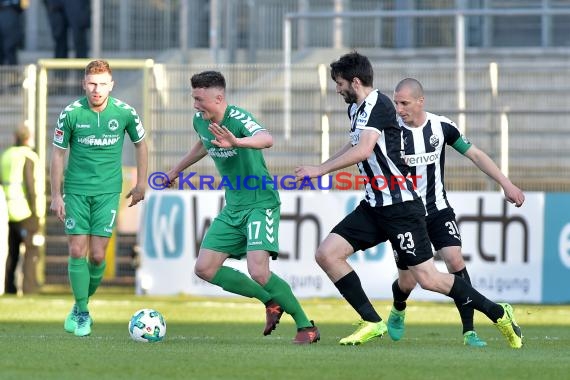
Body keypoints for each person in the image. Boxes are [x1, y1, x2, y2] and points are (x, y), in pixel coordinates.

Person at [294, 51, 523, 348]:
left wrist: (320, 170)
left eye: (339, 83)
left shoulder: (379, 104)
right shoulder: (357, 110)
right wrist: (320, 166)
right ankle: (372, 321)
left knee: (428, 278)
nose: (337, 89)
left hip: (401, 206)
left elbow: (363, 150)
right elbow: (354, 145)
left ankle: (497, 312)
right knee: (327, 254)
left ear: (354, 81)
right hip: (375, 205)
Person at [165, 70, 319, 344]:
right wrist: (175, 170)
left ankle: (306, 326)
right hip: (233, 206)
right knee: (205, 269)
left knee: (258, 271)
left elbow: (266, 138)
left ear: (218, 97)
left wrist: (237, 142)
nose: (195, 105)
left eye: (199, 99)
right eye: (194, 98)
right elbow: (202, 145)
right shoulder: (200, 121)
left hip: (260, 203)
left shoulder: (237, 118)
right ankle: (270, 302)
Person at [387, 77, 526, 347]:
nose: (399, 109)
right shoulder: (390, 132)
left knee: (455, 261)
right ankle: (398, 308)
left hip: (438, 209)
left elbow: (475, 154)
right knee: (407, 282)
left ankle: (469, 331)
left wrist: (506, 183)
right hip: (406, 216)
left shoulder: (441, 127)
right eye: (396, 103)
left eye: (404, 103)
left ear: (420, 101)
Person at [50, 59, 148, 337]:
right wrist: (56, 195)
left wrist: (141, 183)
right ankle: (82, 311)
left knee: (96, 256)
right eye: (92, 84)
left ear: (111, 85)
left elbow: (141, 145)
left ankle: (81, 302)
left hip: (108, 192)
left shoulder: (125, 112)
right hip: (77, 190)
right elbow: (57, 154)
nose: (96, 89)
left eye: (102, 84)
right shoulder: (71, 113)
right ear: (84, 84)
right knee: (77, 251)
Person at [1, 125, 43, 295]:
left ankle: (9, 288)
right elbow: (31, 186)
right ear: (28, 138)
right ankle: (29, 289)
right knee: (31, 252)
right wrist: (36, 214)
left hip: (8, 212)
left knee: (12, 253)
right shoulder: (28, 157)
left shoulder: (6, 156)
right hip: (26, 213)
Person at [0, 0, 25, 65]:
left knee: (10, 49)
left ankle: (13, 73)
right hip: (5, 19)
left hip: (12, 20)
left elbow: (23, 6)